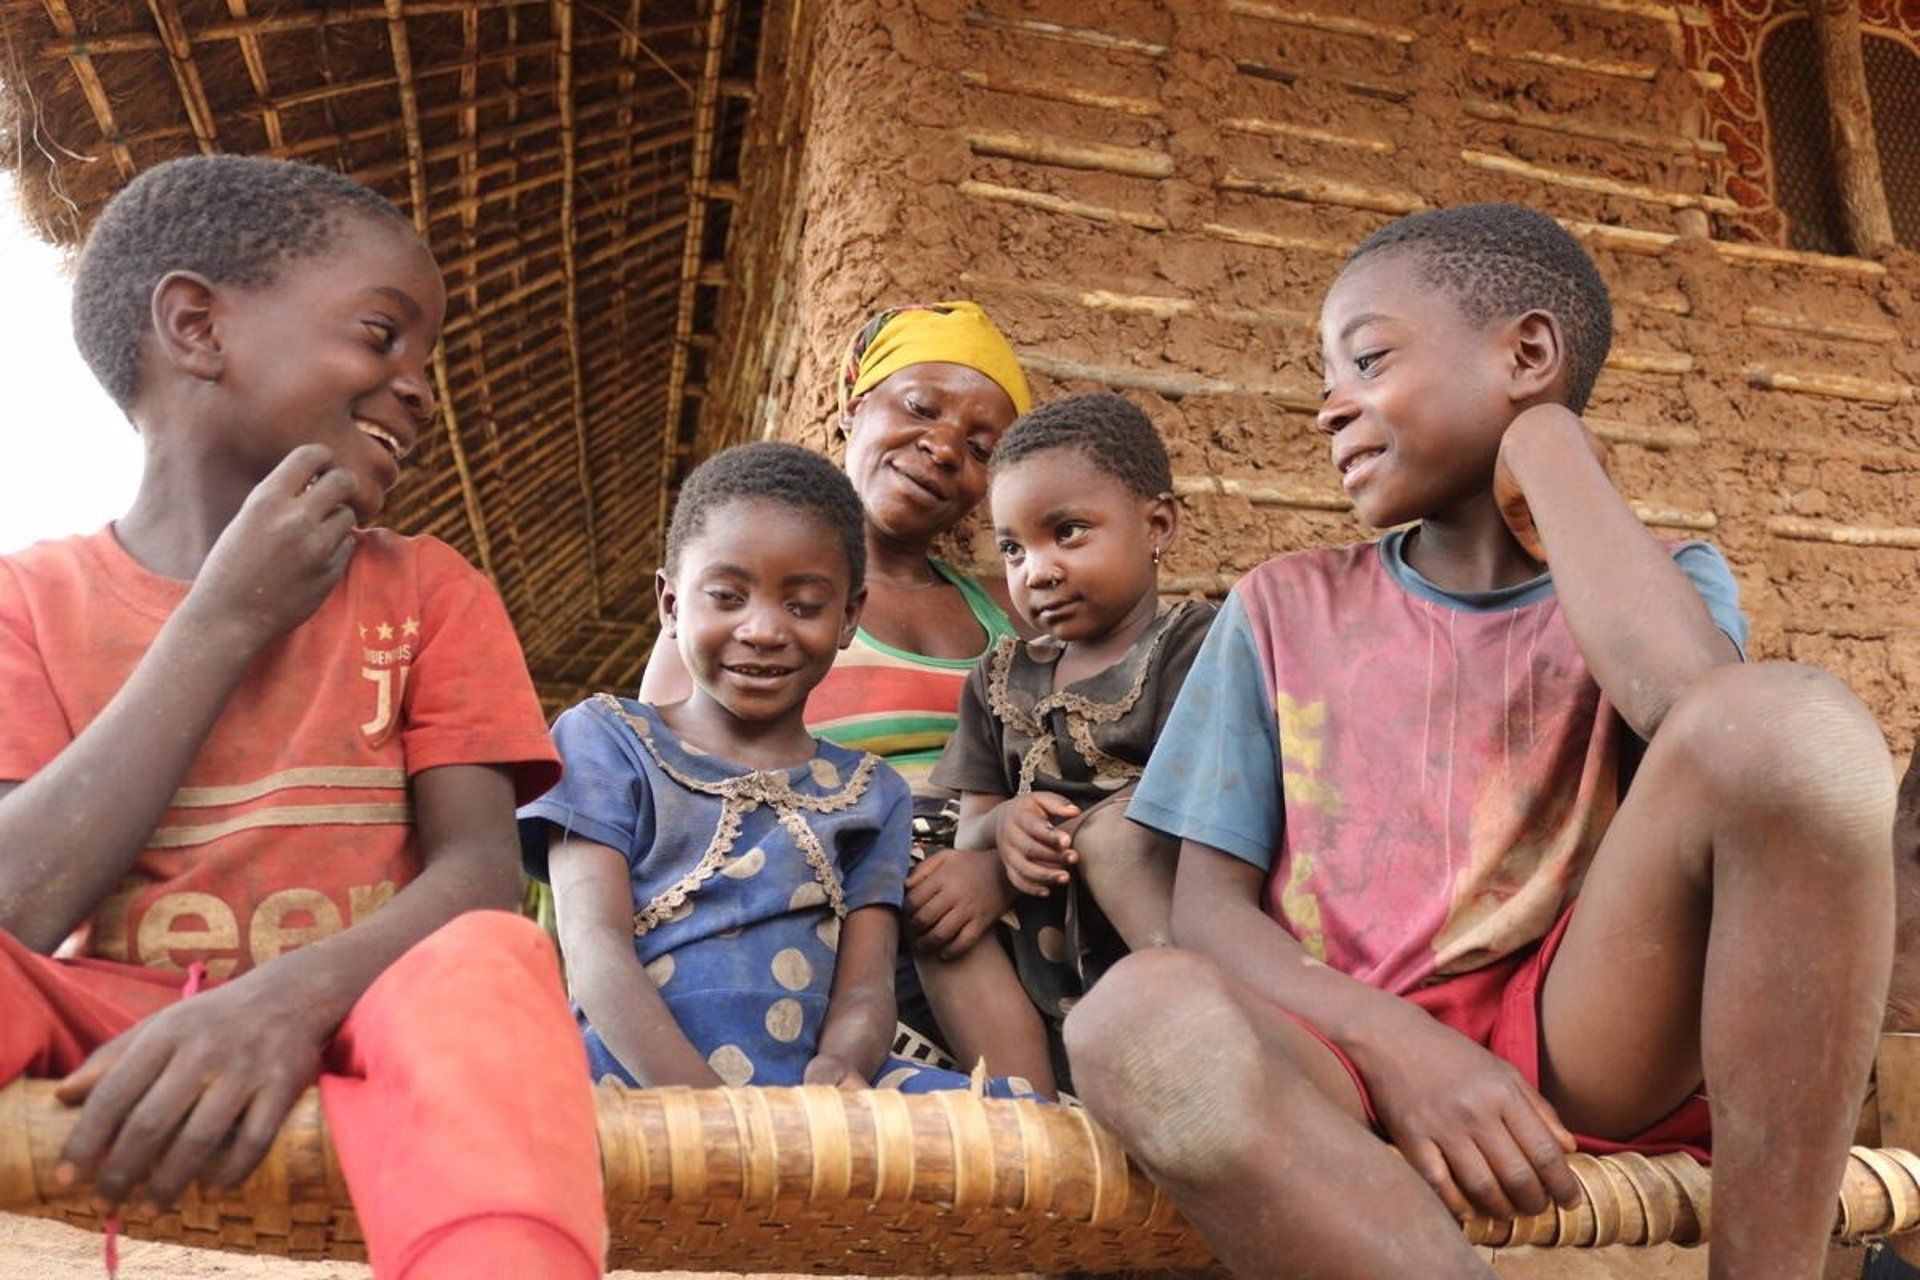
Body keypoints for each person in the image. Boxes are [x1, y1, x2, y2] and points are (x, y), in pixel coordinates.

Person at [1063, 204, 1896, 1279]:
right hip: (1338, 1048)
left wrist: (1548, 446)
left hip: (1585, 1032)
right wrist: (1399, 1047)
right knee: (1134, 1017)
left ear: (1528, 353)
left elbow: (1715, 724)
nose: (1328, 409)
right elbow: (1207, 910)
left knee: (1794, 721)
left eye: (1366, 358)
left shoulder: (1663, 580)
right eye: (1325, 377)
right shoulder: (1280, 606)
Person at [0, 156, 603, 1277]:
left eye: (426, 358)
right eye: (383, 336)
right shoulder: (26, 600)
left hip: (379, 1008)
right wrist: (222, 620)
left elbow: (477, 876)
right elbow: (14, 905)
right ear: (195, 326)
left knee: (492, 960)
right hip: (122, 1021)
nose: (420, 385)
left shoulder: (431, 588)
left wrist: (282, 1001)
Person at [525, 441, 1034, 1096]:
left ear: (850, 616)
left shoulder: (870, 794)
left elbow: (865, 990)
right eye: (728, 596)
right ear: (672, 604)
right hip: (638, 1077)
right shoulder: (608, 742)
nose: (763, 629)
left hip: (805, 1094)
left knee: (1011, 1117)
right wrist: (711, 1114)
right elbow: (595, 956)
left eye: (803, 605)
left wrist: (840, 1069)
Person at [641, 301, 1033, 1057]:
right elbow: (665, 775)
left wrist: (995, 877)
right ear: (855, 409)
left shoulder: (1006, 614)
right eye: (920, 407)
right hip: (808, 888)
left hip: (968, 907)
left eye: (981, 446)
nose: (945, 448)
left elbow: (1046, 780)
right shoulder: (744, 605)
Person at [918, 394, 1213, 1096]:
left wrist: (1075, 834)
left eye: (1069, 533)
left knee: (1117, 837)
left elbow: (1203, 809)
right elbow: (973, 829)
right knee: (936, 895)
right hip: (1041, 928)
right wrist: (1005, 829)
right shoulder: (995, 679)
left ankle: (1215, 1048)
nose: (1036, 571)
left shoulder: (1193, 647)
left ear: (1157, 526)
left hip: (1155, 922)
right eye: (1013, 549)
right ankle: (1027, 1108)